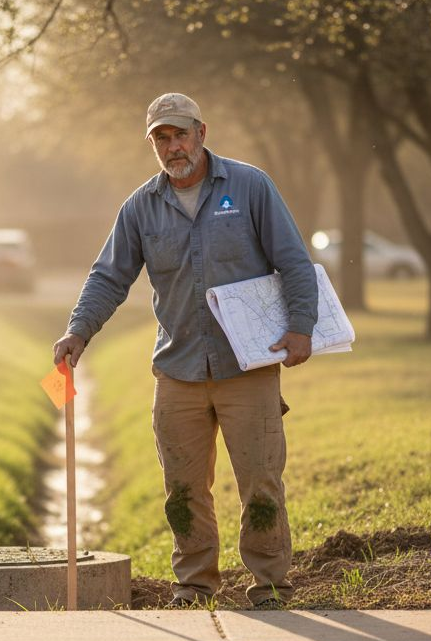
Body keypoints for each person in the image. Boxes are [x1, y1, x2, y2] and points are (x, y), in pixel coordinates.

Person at [52, 92, 317, 608]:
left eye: (180, 134)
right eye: (161, 138)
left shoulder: (250, 186)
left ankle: (269, 585)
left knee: (261, 484)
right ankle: (196, 585)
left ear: (202, 132)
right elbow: (108, 277)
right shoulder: (140, 208)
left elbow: (294, 259)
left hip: (249, 366)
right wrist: (77, 332)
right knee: (183, 490)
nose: (173, 147)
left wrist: (301, 325)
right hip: (178, 371)